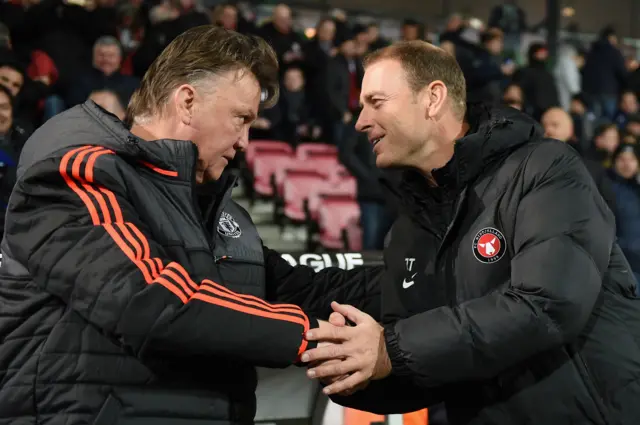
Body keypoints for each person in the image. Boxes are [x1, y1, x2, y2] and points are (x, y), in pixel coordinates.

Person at [0, 26, 381, 424]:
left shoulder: (219, 212)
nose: (245, 142)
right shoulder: (74, 175)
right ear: (186, 102)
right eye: (241, 118)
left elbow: (304, 288)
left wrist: (419, 282)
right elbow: (153, 302)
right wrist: (319, 337)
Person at [301, 41, 640, 424]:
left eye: (376, 102)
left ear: (433, 98)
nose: (361, 121)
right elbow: (426, 367)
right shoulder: (409, 231)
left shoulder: (545, 168)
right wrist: (361, 374)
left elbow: (547, 304)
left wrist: (389, 350)